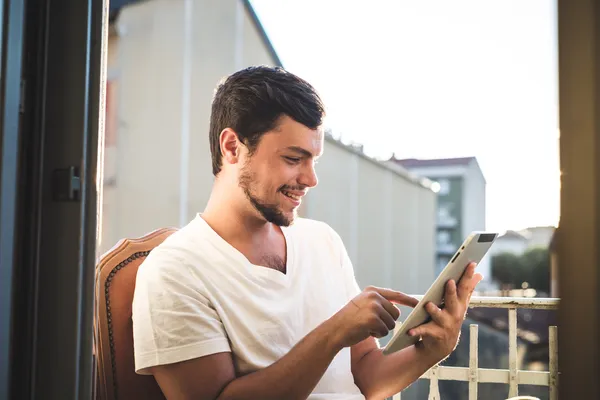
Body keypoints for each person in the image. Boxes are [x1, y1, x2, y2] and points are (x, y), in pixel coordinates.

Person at [131, 66, 482, 400]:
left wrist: (435, 348)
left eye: (314, 160)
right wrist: (333, 333)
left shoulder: (322, 241)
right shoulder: (173, 271)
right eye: (293, 158)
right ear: (232, 147)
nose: (311, 179)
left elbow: (368, 376)